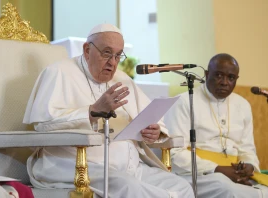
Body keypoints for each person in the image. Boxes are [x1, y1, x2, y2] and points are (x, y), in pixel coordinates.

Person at [23, 23, 194, 198]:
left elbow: (151, 118)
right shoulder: (58, 72)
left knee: (181, 186)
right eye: (106, 53)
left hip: (130, 169)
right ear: (87, 50)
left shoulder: (122, 79)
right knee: (128, 187)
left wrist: (155, 131)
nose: (112, 62)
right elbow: (43, 125)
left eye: (118, 55)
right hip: (75, 165)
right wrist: (92, 111)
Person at [164, 53, 268, 197]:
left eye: (231, 78)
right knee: (226, 188)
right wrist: (217, 168)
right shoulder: (185, 101)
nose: (225, 82)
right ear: (207, 74)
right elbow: (174, 153)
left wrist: (249, 166)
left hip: (235, 173)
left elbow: (247, 148)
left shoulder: (242, 105)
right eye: (219, 75)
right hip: (198, 173)